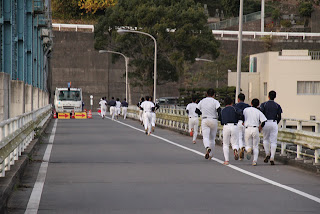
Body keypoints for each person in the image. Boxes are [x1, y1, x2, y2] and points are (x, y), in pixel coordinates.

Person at [196, 88, 221, 160]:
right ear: (214, 95)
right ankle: (211, 155)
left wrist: (202, 113)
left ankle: (207, 147)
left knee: (206, 137)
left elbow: (197, 110)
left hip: (205, 119)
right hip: (213, 120)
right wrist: (219, 117)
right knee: (212, 139)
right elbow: (219, 110)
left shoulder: (202, 101)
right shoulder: (215, 101)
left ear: (207, 94)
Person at [260, 90, 283, 165]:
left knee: (265, 139)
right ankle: (272, 157)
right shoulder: (277, 105)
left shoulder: (264, 104)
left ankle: (267, 153)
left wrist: (261, 124)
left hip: (266, 122)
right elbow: (279, 116)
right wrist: (276, 122)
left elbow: (261, 114)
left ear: (268, 96)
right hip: (274, 123)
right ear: (275, 97)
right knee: (273, 141)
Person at [243, 98, 267, 166]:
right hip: (255, 128)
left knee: (247, 144)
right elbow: (264, 121)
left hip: (247, 128)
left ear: (251, 103)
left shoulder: (245, 110)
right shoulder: (258, 111)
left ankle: (248, 149)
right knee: (256, 146)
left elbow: (242, 117)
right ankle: (254, 161)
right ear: (258, 105)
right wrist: (260, 127)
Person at [220, 97, 242, 165]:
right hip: (234, 126)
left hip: (226, 126)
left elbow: (220, 119)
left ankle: (226, 160)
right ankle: (235, 149)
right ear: (232, 103)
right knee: (235, 142)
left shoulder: (222, 110)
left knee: (226, 144)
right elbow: (240, 114)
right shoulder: (235, 109)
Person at [234, 93, 251, 160]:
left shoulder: (235, 106)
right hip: (246, 123)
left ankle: (241, 147)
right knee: (245, 138)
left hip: (238, 122)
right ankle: (245, 148)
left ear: (238, 99)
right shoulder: (248, 106)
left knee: (239, 137)